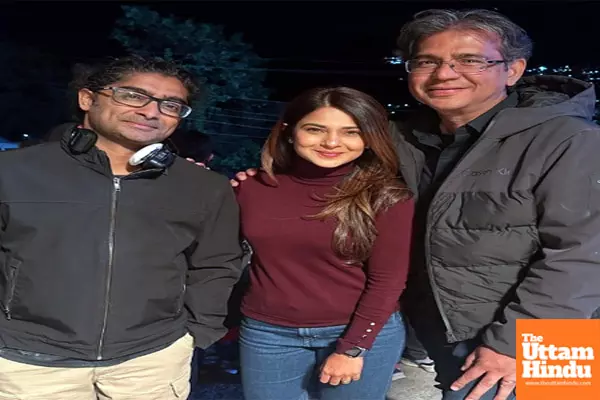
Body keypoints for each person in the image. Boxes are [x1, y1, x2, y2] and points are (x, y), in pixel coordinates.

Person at [230, 8, 600, 400]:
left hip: (544, 333)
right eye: (427, 61)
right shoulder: (405, 140)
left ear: (513, 69)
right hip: (445, 326)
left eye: (470, 60)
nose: (445, 74)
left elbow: (585, 253)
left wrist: (516, 342)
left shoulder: (570, 139)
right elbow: (328, 171)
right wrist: (264, 181)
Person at [0, 55, 243, 399]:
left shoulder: (204, 186)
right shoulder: (11, 171)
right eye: (133, 96)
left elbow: (216, 264)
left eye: (171, 105)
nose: (151, 111)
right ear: (87, 98)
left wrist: (196, 333)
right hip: (26, 363)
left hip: (151, 361)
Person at [235, 87, 415, 400]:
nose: (331, 142)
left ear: (369, 139)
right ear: (289, 131)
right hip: (268, 332)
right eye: (315, 129)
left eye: (351, 132)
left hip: (356, 331)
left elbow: (388, 280)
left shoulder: (386, 196)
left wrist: (353, 348)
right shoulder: (250, 187)